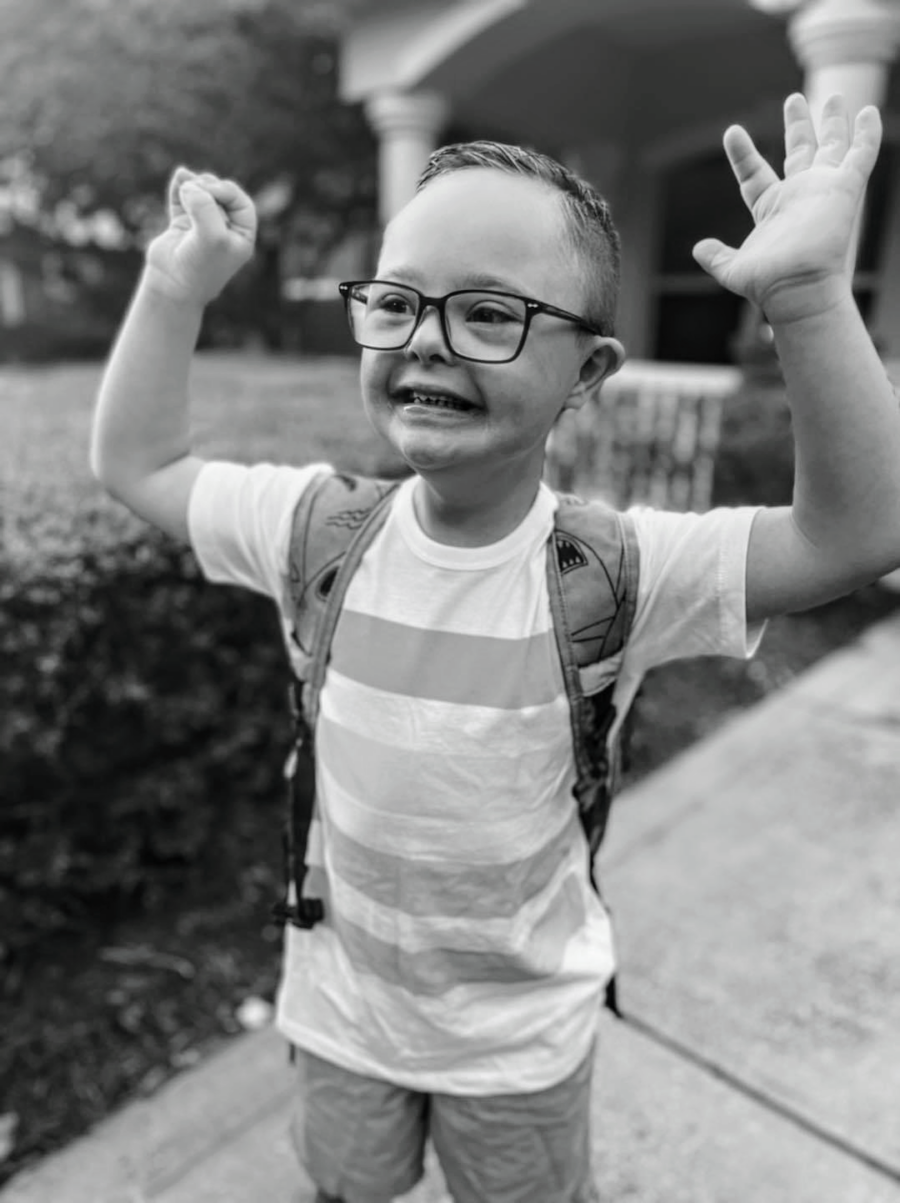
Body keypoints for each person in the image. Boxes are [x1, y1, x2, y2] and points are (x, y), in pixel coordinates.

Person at [91, 93, 899, 1203]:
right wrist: (174, 287)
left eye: (488, 313)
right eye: (398, 301)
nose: (425, 335)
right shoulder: (314, 531)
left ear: (589, 372)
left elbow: (855, 536)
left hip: (520, 1037)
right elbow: (139, 466)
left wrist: (807, 301)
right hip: (343, 1010)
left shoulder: (619, 568)